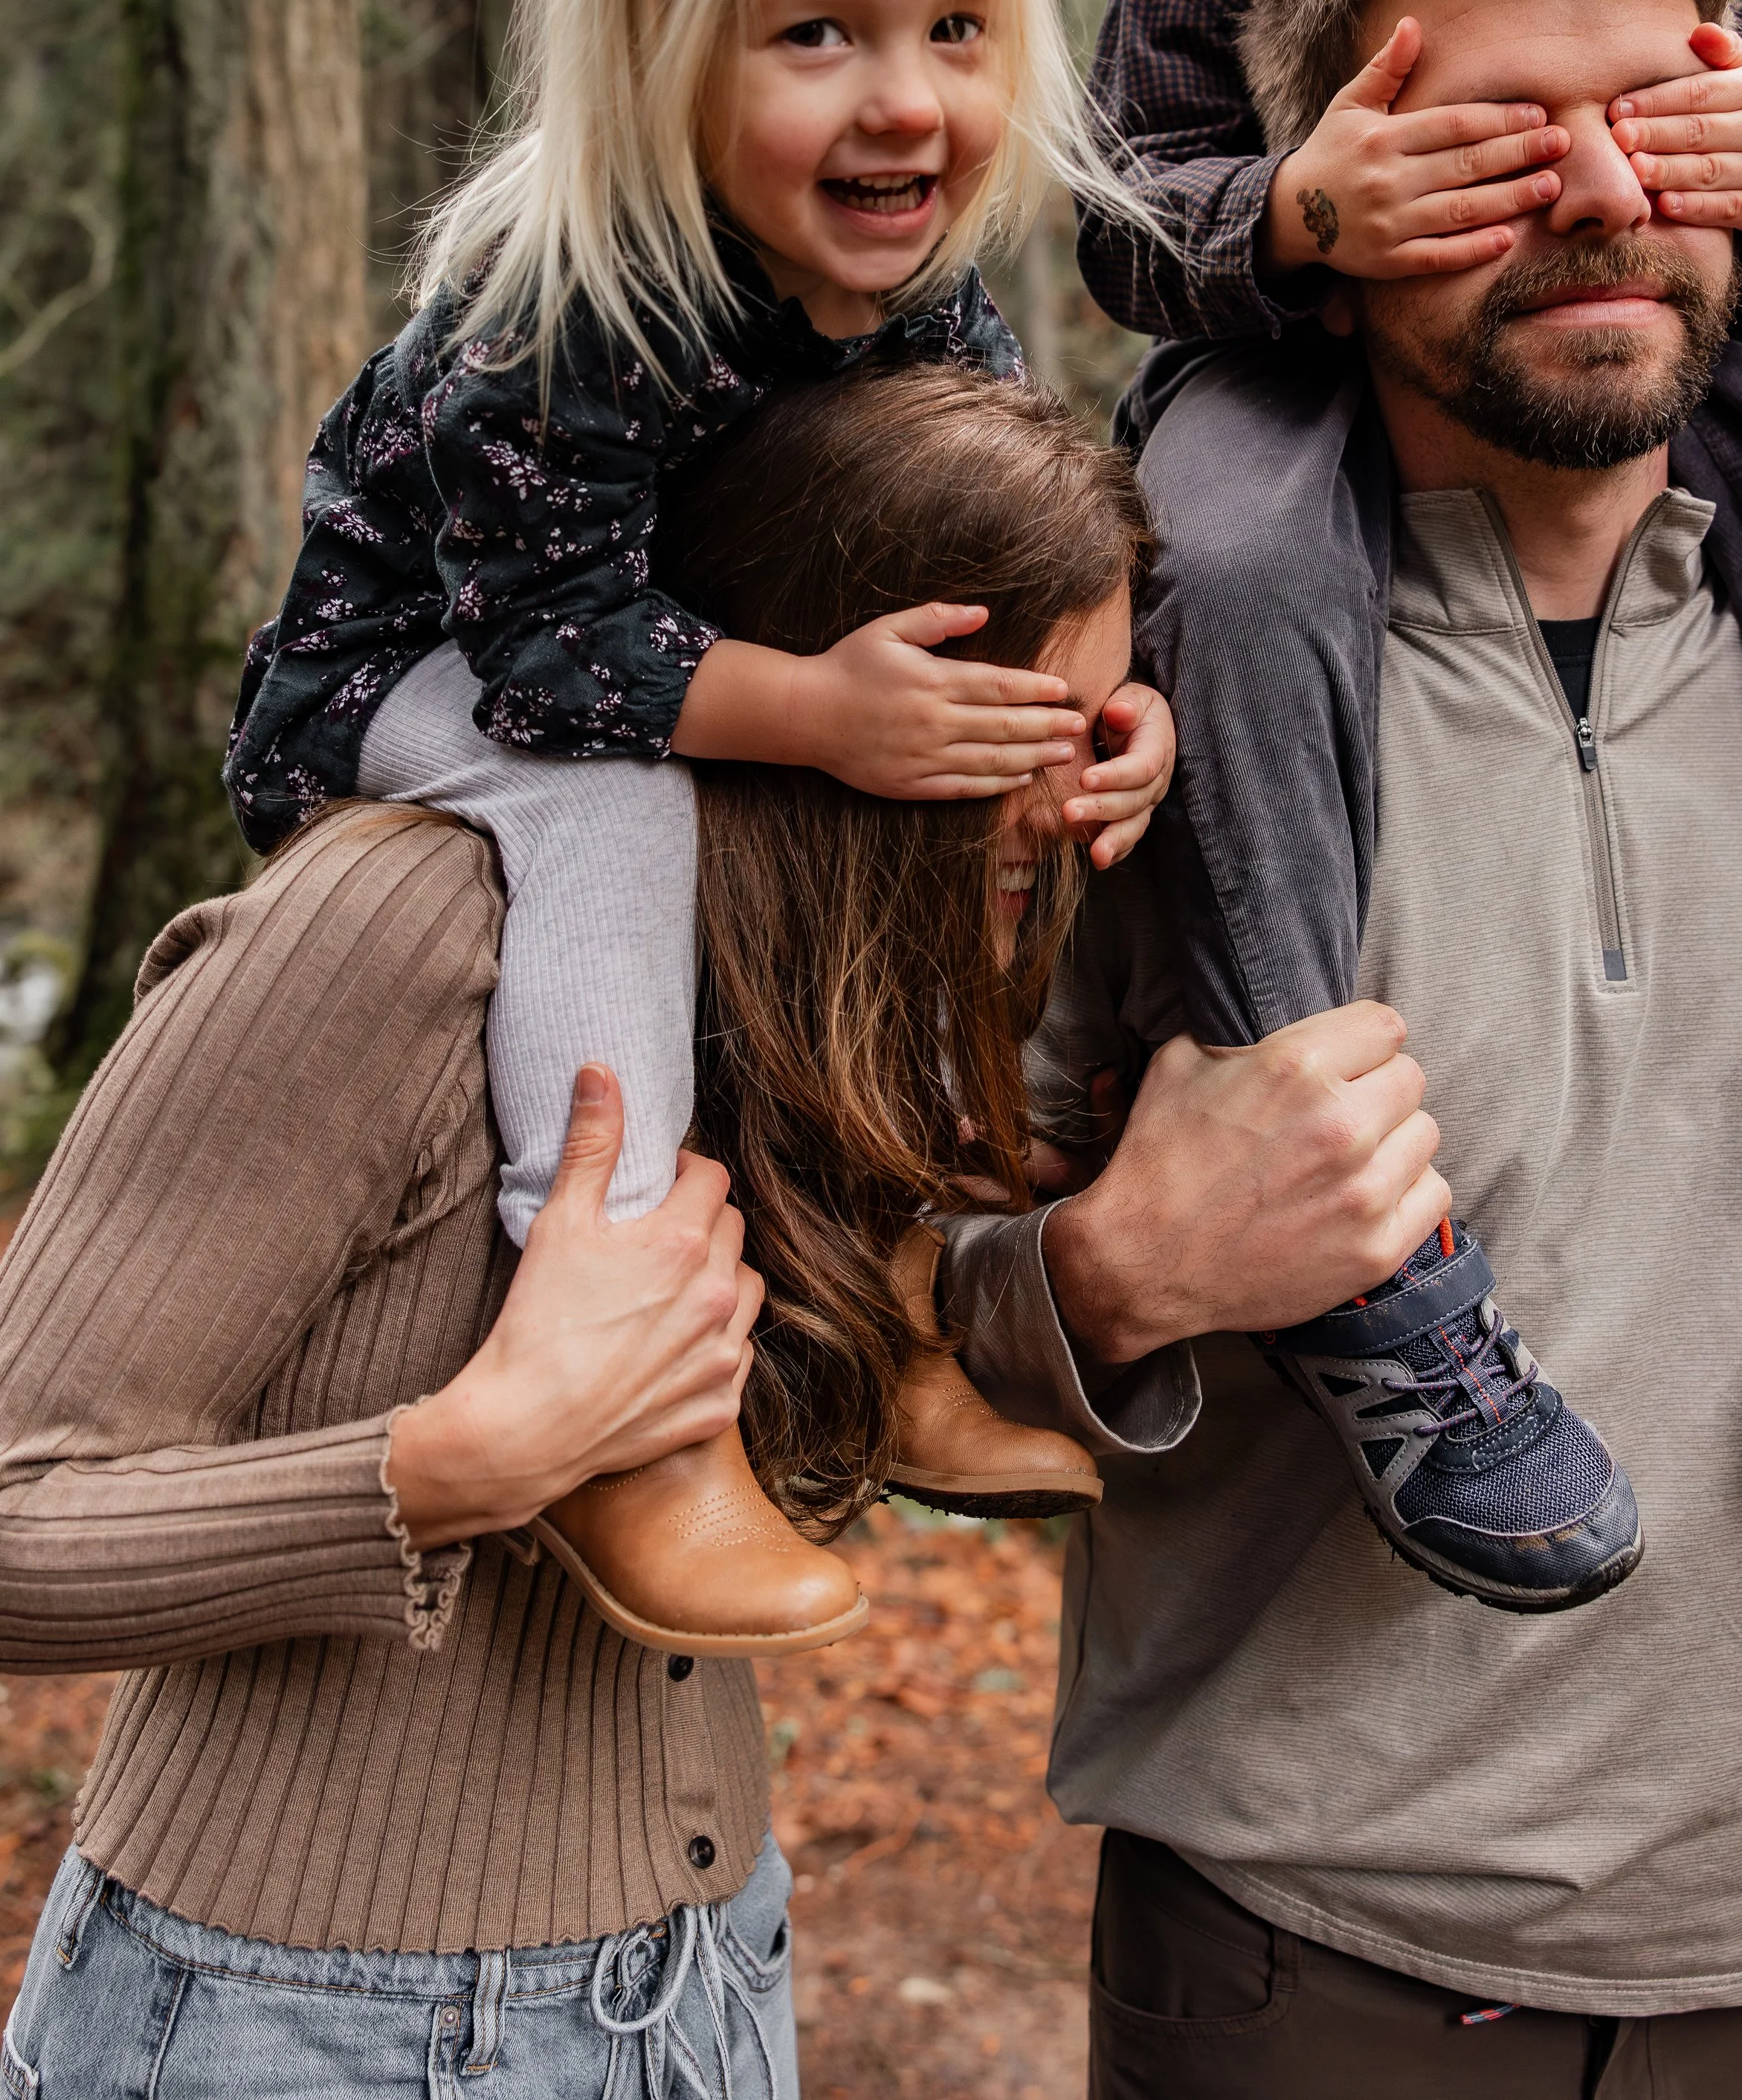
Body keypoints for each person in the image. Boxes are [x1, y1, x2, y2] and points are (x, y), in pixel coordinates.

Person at [0, 365, 1444, 2097]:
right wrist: (454, 1464)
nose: (1054, 807)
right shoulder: (396, 930)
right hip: (296, 2016)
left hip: (693, 1976)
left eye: (1092, 725)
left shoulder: (763, 973)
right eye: (1000, 733)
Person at [934, 0, 1742, 2093]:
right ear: (1317, 212)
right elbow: (829, 1301)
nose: (1594, 196)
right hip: (1305, 1962)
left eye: (1653, 118)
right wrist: (1112, 1268)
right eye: (1480, 136)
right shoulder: (1107, 692)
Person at [220, 0, 1178, 1657]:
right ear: (652, 45)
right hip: (427, 677)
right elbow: (552, 644)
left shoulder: (925, 308)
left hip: (679, 657)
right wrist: (817, 705)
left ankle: (878, 1301)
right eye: (814, 32)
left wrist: (1095, 722)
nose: (903, 97)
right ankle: (620, 1388)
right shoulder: (568, 295)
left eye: (952, 29)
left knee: (881, 814)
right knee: (622, 814)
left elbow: (984, 578)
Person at [1071, 0, 1742, 1603]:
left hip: (1638, 392)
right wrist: (1300, 213)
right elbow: (1123, 220)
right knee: (1220, 555)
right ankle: (1354, 1232)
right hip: (1294, 370)